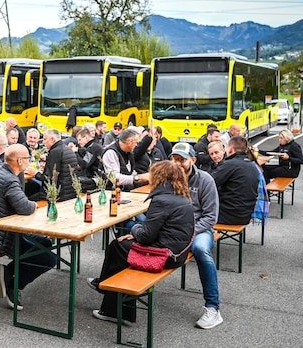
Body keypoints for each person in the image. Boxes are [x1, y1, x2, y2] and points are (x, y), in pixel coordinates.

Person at [88, 160, 194, 325]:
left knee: (117, 247)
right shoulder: (181, 196)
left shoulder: (162, 200)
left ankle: (112, 305)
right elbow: (155, 231)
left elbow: (146, 236)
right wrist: (138, 234)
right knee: (122, 247)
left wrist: (135, 230)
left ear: (159, 177)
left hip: (163, 257)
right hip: (177, 253)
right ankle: (105, 288)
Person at [0, 144, 56, 310]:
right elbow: (25, 207)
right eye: (28, 159)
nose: (30, 162)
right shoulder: (9, 179)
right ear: (19, 161)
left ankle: (8, 271)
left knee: (45, 243)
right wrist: (35, 205)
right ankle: (14, 285)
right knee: (48, 259)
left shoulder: (0, 171)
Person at [169, 142, 222, 329]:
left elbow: (210, 217)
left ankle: (213, 308)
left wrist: (190, 232)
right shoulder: (168, 179)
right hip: (174, 229)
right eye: (174, 159)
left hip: (199, 229)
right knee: (136, 233)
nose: (177, 164)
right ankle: (121, 299)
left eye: (182, 160)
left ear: (193, 160)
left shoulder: (205, 180)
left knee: (200, 249)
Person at [211, 136, 258, 225]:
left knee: (197, 213)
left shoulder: (230, 164)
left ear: (230, 149)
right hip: (246, 214)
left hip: (230, 215)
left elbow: (210, 183)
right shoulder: (252, 165)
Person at [33, 129, 78, 202]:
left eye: (45, 139)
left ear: (52, 139)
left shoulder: (55, 152)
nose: (43, 142)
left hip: (58, 195)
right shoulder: (67, 149)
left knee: (27, 199)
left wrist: (35, 173)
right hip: (71, 191)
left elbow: (49, 179)